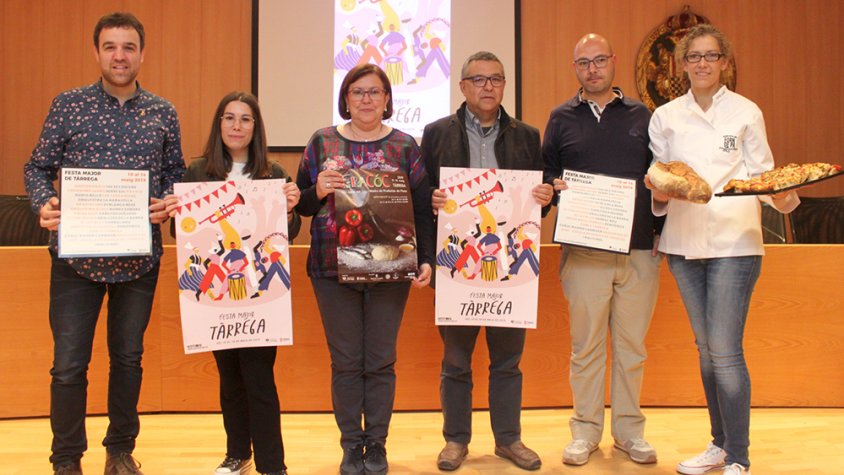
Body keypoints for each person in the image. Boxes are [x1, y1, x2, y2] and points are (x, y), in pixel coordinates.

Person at [22, 12, 185, 475]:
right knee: (68, 365)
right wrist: (44, 202)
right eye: (110, 46)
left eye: (128, 47)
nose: (119, 55)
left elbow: (174, 176)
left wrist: (168, 202)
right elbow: (36, 167)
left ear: (141, 53)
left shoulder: (163, 112)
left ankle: (119, 451)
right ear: (96, 52)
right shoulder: (68, 105)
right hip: (77, 259)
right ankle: (67, 459)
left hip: (138, 259)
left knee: (128, 360)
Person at [647, 24, 800, 475]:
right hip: (682, 243)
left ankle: (739, 456)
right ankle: (719, 444)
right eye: (692, 56)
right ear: (680, 64)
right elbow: (660, 179)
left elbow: (763, 175)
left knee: (726, 350)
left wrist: (785, 196)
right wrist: (658, 194)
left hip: (736, 242)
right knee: (706, 349)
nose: (701, 64)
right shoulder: (666, 116)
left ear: (724, 62)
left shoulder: (746, 111)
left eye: (709, 56)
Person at [295, 63, 434, 475]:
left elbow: (423, 208)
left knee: (379, 360)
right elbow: (300, 204)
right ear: (346, 98)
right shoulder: (321, 142)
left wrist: (425, 257)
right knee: (345, 362)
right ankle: (350, 445)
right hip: (330, 270)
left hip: (391, 270)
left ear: (388, 100)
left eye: (375, 92)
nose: (367, 100)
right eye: (358, 92)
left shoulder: (406, 146)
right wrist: (317, 190)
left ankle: (376, 443)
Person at [422, 51, 554, 472]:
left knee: (508, 361)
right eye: (478, 80)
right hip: (458, 266)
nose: (487, 87)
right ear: (462, 87)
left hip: (510, 268)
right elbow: (420, 195)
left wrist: (546, 198)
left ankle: (508, 440)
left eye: (495, 79)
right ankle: (456, 441)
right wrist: (431, 200)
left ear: (503, 86)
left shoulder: (527, 136)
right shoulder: (436, 133)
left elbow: (537, 202)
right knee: (456, 361)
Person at [541, 34, 664, 467]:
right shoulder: (560, 118)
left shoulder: (642, 116)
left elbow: (660, 177)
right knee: (586, 347)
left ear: (613, 62)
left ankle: (629, 433)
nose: (591, 69)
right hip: (584, 251)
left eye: (598, 61)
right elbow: (548, 177)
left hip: (638, 251)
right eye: (582, 63)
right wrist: (553, 189)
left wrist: (660, 234)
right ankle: (586, 432)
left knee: (633, 347)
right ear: (574, 68)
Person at [176, 91, 301, 475]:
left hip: (260, 294)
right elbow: (180, 231)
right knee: (230, 379)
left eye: (245, 119)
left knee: (259, 378)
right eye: (229, 118)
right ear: (219, 125)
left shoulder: (274, 173)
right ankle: (237, 453)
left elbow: (288, 234)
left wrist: (292, 208)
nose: (236, 126)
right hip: (217, 298)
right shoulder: (197, 172)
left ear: (255, 127)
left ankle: (272, 463)